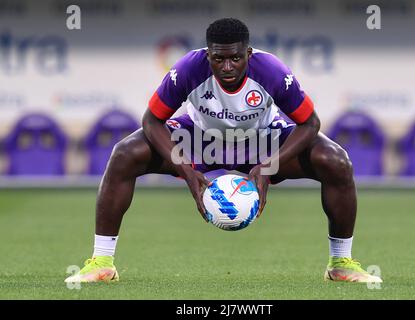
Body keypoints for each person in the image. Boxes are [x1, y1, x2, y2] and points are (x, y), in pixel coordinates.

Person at [65, 18, 382, 284]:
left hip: (263, 142)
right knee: (124, 154)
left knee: (336, 161)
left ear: (248, 53)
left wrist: (269, 165)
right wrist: (185, 169)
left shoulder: (270, 70)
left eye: (235, 58)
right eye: (218, 59)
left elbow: (309, 124)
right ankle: (102, 263)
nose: (227, 66)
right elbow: (152, 120)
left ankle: (340, 264)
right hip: (199, 141)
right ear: (208, 55)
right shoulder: (190, 67)